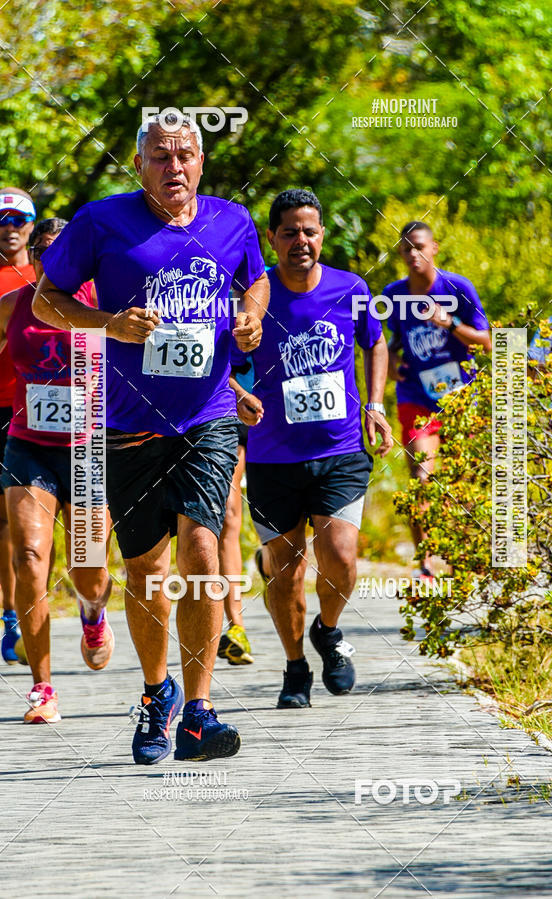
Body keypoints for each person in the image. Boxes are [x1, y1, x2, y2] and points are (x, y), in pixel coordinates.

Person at [35, 114, 269, 763]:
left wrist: (250, 316)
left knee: (201, 544)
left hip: (208, 414)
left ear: (202, 162)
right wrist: (108, 323)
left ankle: (199, 710)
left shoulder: (233, 221)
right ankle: (155, 692)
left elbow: (256, 279)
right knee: (146, 566)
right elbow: (45, 300)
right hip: (128, 424)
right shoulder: (100, 221)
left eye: (186, 155)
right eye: (161, 157)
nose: (175, 168)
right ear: (139, 165)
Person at [241, 188, 392, 709]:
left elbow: (375, 341)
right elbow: (220, 356)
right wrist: (238, 395)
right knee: (284, 570)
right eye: (289, 232)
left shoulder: (351, 287)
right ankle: (294, 668)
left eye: (309, 230)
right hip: (271, 456)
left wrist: (375, 404)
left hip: (341, 449)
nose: (300, 241)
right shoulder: (253, 295)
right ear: (272, 238)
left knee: (341, 557)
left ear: (322, 234)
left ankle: (328, 631)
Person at [0, 218, 113, 723]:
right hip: (29, 446)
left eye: (61, 249)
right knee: (27, 556)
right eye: (43, 250)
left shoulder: (102, 301)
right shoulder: (13, 305)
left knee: (87, 570)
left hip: (89, 448)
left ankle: (92, 612)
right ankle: (42, 687)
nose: (51, 258)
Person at [384, 221, 491, 578]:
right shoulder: (394, 294)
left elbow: (486, 341)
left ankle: (463, 556)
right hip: (416, 396)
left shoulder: (457, 288)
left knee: (462, 481)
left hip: (460, 400)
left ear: (434, 248)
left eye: (419, 246)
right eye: (406, 248)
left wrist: (450, 324)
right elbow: (391, 345)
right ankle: (425, 563)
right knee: (420, 473)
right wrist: (394, 365)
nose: (413, 254)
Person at [0, 188, 36, 664]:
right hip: (0, 405)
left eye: (18, 218)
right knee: (5, 522)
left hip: (44, 410)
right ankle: (10, 616)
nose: (9, 227)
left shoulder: (49, 273)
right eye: (1, 219)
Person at [216, 358, 263, 665]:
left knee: (231, 514)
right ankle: (235, 627)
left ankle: (237, 627)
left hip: (256, 399)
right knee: (226, 516)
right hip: (207, 401)